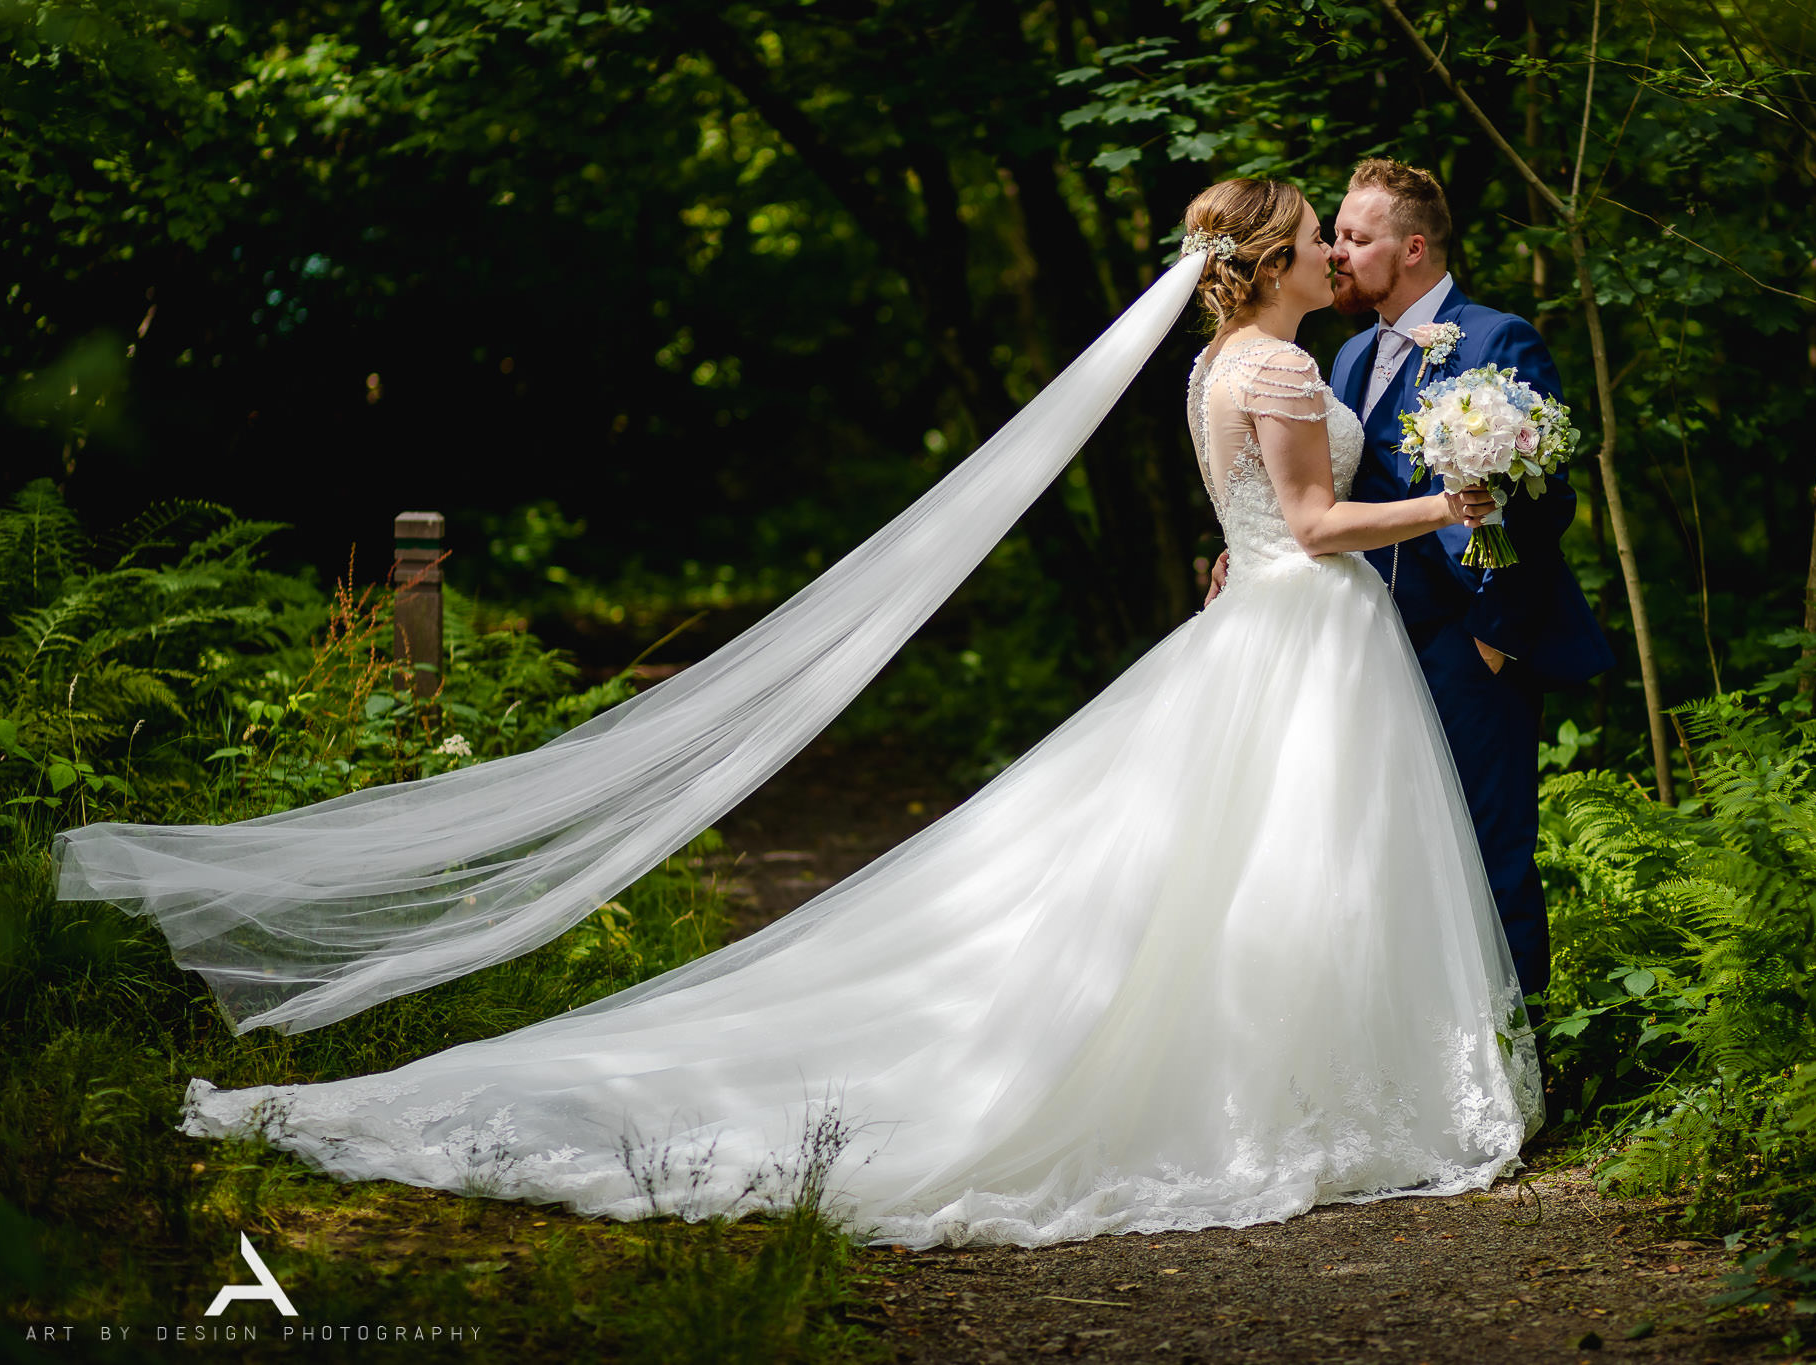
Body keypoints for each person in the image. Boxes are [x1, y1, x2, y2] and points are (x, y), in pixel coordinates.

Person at [77, 178, 1543, 1250]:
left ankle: (1288, 1079)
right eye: (1314, 241)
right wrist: (1447, 499)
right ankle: (1291, 1091)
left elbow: (1259, 515)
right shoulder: (1281, 361)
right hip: (1301, 631)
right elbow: (1305, 515)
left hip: (1273, 632)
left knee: (1251, 867)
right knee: (1275, 859)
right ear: (1274, 261)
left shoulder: (1228, 362)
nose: (1331, 258)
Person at [1210, 160, 1613, 1005]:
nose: (1340, 253)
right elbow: (1312, 489)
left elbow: (1548, 502)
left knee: (1487, 849)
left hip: (1467, 644)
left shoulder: (1498, 340)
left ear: (1414, 248)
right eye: (1337, 237)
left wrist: (1494, 636)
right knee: (1392, 861)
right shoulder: (1346, 354)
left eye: (1357, 238)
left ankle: (1518, 1051)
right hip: (1359, 647)